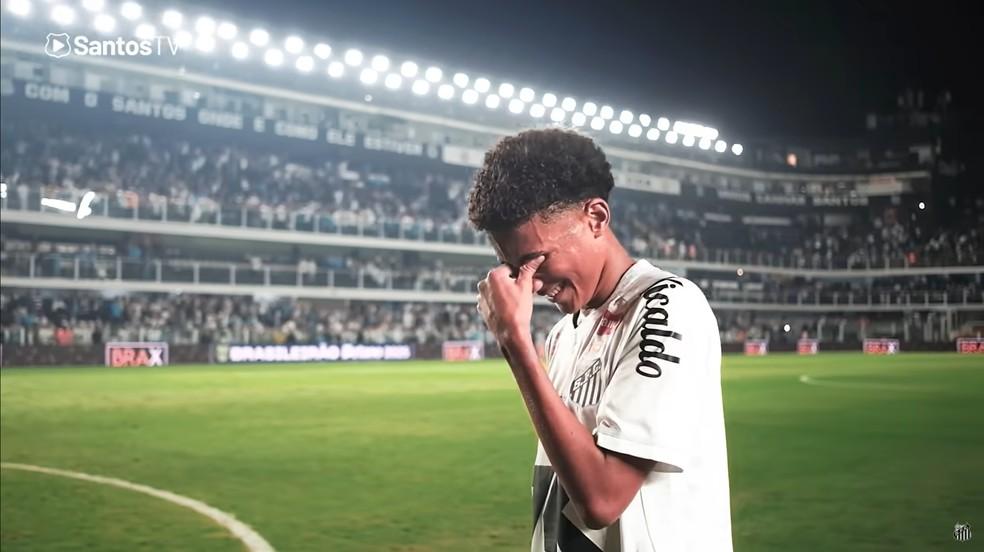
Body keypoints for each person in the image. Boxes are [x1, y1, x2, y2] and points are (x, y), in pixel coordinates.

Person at [469, 128, 732, 551]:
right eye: (514, 268)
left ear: (596, 217)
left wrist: (516, 344)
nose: (530, 285)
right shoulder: (562, 334)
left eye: (536, 260)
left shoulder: (667, 306)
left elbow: (602, 500)